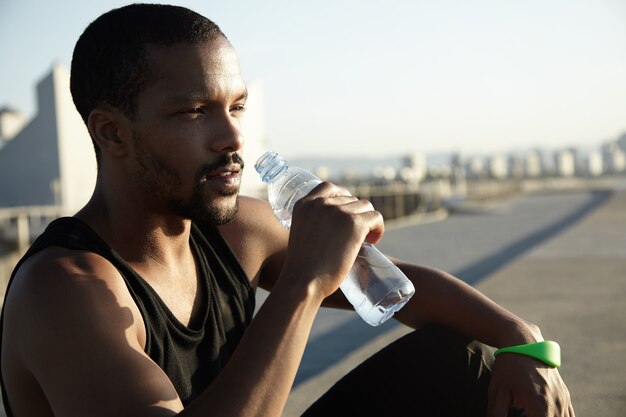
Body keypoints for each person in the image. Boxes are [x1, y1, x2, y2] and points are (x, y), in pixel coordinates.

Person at [0, 4, 574, 417]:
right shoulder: (65, 290)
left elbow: (403, 290)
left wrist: (523, 341)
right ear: (112, 133)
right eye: (194, 112)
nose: (231, 137)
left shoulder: (238, 231)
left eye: (237, 106)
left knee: (469, 363)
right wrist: (304, 280)